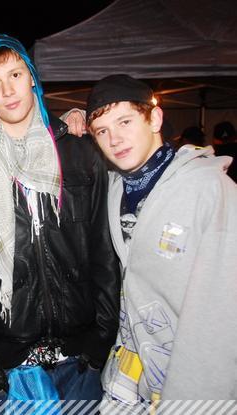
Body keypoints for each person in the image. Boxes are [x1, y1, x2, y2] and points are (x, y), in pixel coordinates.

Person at [0, 33, 120, 402]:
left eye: (15, 75)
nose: (8, 90)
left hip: (80, 358)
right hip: (8, 365)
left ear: (32, 78)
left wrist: (100, 340)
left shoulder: (79, 153)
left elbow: (103, 251)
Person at [85, 74, 237, 405]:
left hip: (193, 382)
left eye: (125, 121)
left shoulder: (209, 190)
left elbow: (224, 314)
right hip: (133, 378)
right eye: (102, 131)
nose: (115, 139)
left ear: (154, 118)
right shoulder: (117, 189)